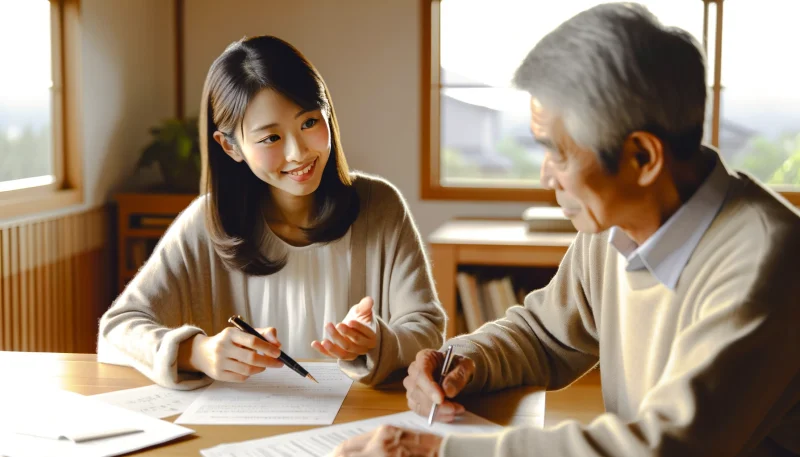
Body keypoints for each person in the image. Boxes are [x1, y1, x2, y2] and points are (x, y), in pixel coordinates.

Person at [333, 3, 800, 456]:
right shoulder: (613, 228)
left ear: (642, 158)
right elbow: (543, 335)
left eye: (557, 152)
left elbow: (664, 446)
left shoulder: (766, 260)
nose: (545, 177)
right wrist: (462, 361)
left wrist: (435, 451)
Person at [97, 35, 445, 390]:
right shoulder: (207, 223)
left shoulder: (380, 206)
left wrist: (376, 343)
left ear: (327, 112)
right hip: (242, 420)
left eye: (309, 122)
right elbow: (116, 330)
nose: (298, 153)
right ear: (230, 146)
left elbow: (427, 327)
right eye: (271, 138)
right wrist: (196, 352)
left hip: (356, 417)